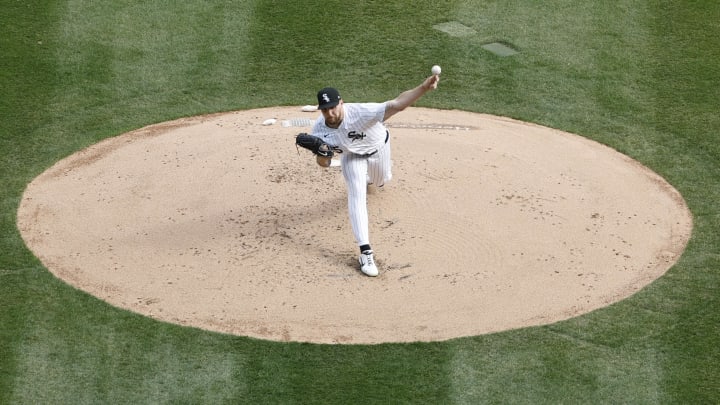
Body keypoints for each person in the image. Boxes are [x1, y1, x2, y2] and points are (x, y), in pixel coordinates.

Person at [310, 74, 440, 277]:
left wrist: (423, 87)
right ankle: (365, 251)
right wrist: (322, 154)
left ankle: (371, 178)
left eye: (333, 107)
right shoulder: (318, 130)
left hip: (378, 148)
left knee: (381, 181)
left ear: (341, 103)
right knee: (356, 194)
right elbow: (324, 164)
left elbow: (398, 104)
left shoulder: (361, 113)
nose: (330, 113)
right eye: (325, 109)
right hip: (352, 156)